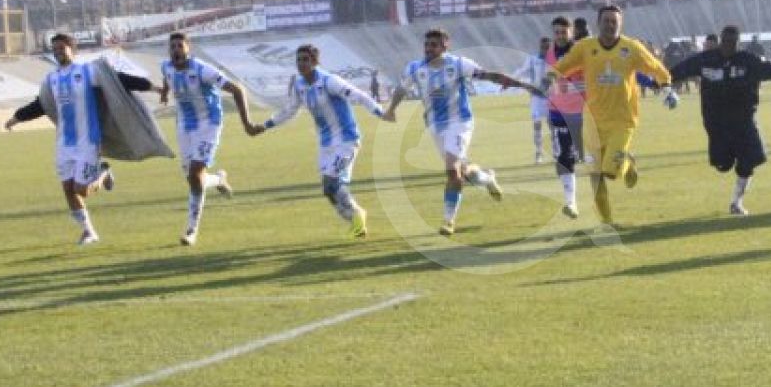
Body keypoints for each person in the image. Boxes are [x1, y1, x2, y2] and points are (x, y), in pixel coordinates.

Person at [3, 32, 160, 245]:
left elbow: (119, 80)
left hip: (88, 141)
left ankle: (103, 173)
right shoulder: (51, 80)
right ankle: (89, 232)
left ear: (72, 49)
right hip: (64, 143)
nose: (58, 52)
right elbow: (40, 105)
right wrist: (17, 118)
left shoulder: (88, 72)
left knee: (81, 190)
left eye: (62, 48)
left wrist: (151, 86)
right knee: (68, 190)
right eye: (55, 49)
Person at [389, 29, 540, 236]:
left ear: (445, 46)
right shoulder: (414, 68)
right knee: (462, 172)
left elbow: (489, 75)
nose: (429, 49)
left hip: (460, 122)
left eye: (434, 45)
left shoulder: (459, 64)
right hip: (435, 126)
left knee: (452, 171)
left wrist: (521, 84)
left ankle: (448, 221)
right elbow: (401, 89)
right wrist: (391, 109)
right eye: (426, 45)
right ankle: (488, 179)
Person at [547, 3, 678, 229]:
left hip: (622, 121)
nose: (610, 25)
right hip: (593, 121)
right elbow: (564, 65)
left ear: (620, 23)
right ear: (598, 23)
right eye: (606, 21)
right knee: (595, 175)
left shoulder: (631, 48)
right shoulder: (586, 47)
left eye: (614, 21)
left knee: (610, 172)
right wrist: (549, 77)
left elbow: (655, 67)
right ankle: (606, 222)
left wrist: (666, 87)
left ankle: (627, 162)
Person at [246, 43, 393, 239]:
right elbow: (289, 111)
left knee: (332, 181)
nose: (301, 63)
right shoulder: (299, 85)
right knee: (328, 190)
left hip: (346, 140)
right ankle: (355, 221)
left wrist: (381, 112)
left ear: (315, 61)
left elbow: (358, 95)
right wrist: (265, 125)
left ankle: (358, 215)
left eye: (305, 59)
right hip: (326, 144)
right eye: (298, 60)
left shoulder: (329, 81)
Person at [669, 23, 771, 215]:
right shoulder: (706, 59)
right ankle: (729, 166)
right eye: (725, 42)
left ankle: (736, 202)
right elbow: (677, 71)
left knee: (751, 159)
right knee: (722, 164)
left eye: (732, 42)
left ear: (738, 43)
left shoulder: (749, 61)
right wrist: (655, 80)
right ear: (720, 41)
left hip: (744, 121)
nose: (728, 46)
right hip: (716, 123)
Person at [156, 30, 256, 247]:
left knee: (195, 175)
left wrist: (247, 123)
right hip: (184, 126)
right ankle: (219, 179)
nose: (176, 50)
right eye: (172, 47)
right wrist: (164, 92)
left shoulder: (202, 69)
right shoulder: (166, 67)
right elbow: (167, 78)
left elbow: (237, 90)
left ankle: (191, 230)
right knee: (193, 179)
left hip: (209, 124)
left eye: (180, 46)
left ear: (188, 48)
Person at [542, 16, 588, 218]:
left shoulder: (582, 50)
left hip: (583, 111)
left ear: (572, 32)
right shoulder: (550, 53)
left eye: (564, 32)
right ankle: (571, 203)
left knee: (592, 153)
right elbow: (549, 81)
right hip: (558, 111)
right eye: (557, 32)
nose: (560, 36)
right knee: (563, 157)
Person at [515, 37, 554, 163]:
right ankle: (538, 153)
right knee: (537, 125)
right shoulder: (532, 59)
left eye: (548, 47)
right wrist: (510, 80)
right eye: (543, 47)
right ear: (540, 46)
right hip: (537, 97)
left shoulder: (555, 60)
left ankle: (556, 152)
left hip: (552, 97)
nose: (545, 50)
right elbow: (522, 71)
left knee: (552, 125)